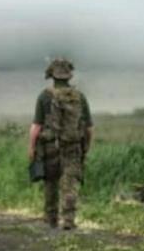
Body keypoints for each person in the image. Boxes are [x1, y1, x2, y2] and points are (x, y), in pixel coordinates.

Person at [27, 58, 94, 230]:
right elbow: (89, 128)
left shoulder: (44, 96)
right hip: (73, 146)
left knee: (51, 182)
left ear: (52, 75)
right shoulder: (79, 97)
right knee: (69, 183)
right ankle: (69, 220)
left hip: (50, 146)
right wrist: (86, 146)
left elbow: (36, 126)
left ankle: (51, 219)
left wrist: (31, 147)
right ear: (69, 75)